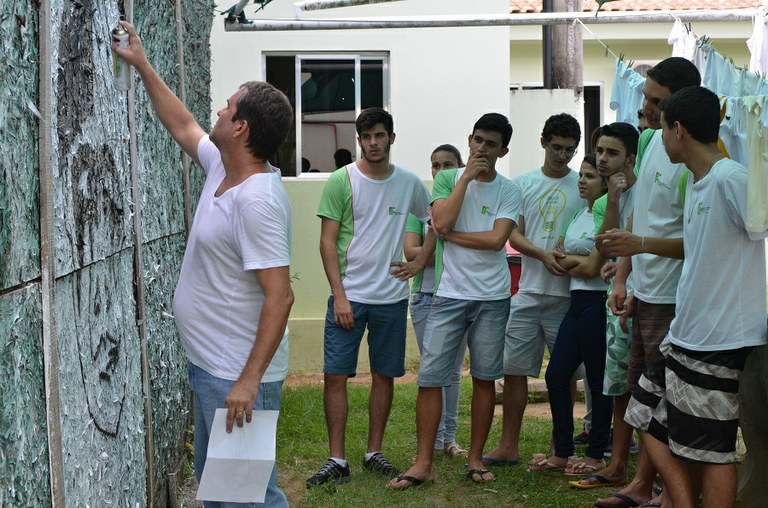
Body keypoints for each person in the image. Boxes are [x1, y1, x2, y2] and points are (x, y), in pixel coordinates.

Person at [113, 22, 295, 508]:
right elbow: (182, 124)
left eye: (228, 105)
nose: (218, 108)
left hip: (235, 372)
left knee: (246, 497)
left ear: (242, 127)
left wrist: (248, 381)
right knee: (223, 493)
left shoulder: (257, 201)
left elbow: (281, 297)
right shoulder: (223, 166)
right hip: (213, 365)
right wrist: (143, 64)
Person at [624, 85, 767, 508]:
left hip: (719, 338)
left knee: (713, 449)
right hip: (686, 333)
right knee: (645, 413)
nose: (660, 136)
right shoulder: (697, 180)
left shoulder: (731, 178)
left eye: (663, 128)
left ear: (679, 130)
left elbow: (760, 227)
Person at [594, 57, 701, 508]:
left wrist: (637, 246)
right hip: (644, 292)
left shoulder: (692, 155)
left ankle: (664, 491)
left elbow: (694, 237)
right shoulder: (652, 141)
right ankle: (642, 484)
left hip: (675, 298)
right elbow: (640, 215)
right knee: (641, 395)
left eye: (656, 101)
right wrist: (623, 279)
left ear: (678, 103)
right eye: (645, 97)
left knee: (664, 403)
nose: (647, 108)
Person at [390, 113, 518, 488]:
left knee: (483, 379)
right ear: (469, 140)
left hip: (492, 298)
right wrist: (464, 178)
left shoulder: (509, 190)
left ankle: (475, 458)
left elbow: (496, 241)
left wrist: (453, 236)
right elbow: (441, 222)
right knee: (430, 379)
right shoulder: (448, 178)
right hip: (448, 296)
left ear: (503, 150)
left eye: (490, 144)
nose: (481, 148)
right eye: (477, 140)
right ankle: (423, 462)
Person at [308, 107, 432, 487]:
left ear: (391, 138)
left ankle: (373, 453)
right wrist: (339, 296)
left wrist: (420, 262)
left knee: (384, 376)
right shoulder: (341, 181)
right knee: (335, 376)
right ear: (359, 141)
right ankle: (337, 459)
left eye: (379, 135)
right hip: (350, 296)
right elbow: (327, 243)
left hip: (392, 298)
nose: (373, 143)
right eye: (366, 137)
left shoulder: (410, 183)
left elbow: (437, 221)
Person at [483, 113, 584, 467]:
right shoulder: (521, 184)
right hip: (527, 291)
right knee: (513, 370)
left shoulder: (583, 185)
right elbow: (513, 233)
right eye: (556, 148)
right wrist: (541, 253)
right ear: (543, 142)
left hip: (568, 295)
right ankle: (508, 444)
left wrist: (568, 258)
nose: (562, 156)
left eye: (570, 150)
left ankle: (562, 447)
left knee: (566, 375)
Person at [531, 155, 612, 474]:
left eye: (590, 176)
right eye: (581, 175)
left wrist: (576, 261)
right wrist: (582, 260)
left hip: (598, 302)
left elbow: (593, 267)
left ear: (605, 183)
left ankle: (595, 454)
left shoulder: (607, 213)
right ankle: (562, 452)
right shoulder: (580, 214)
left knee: (596, 380)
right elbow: (559, 259)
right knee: (556, 375)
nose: (582, 180)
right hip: (575, 301)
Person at [405, 144, 468, 458]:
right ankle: (433, 438)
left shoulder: (466, 205)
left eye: (448, 164)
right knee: (433, 370)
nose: (441, 171)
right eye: (435, 165)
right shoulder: (421, 207)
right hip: (426, 299)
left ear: (460, 166)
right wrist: (446, 246)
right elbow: (410, 251)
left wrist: (439, 246)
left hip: (459, 295)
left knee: (453, 371)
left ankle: (448, 439)